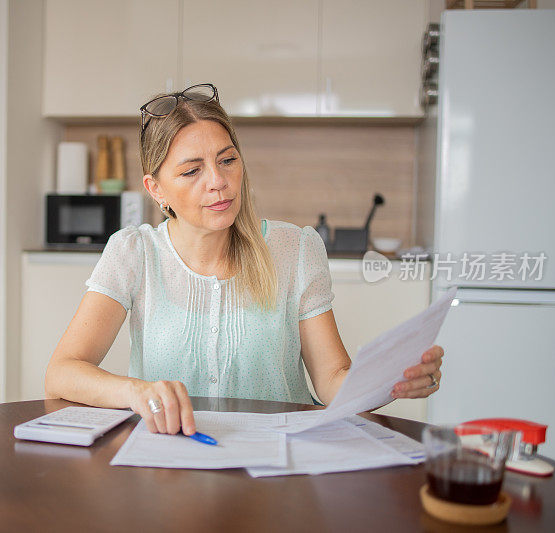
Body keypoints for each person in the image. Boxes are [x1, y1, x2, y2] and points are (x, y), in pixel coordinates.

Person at [45, 83, 443, 437]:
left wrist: (389, 379)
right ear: (156, 189)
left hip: (281, 462)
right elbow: (63, 371)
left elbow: (331, 380)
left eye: (227, 160)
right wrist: (137, 392)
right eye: (191, 171)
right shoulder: (133, 253)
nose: (217, 180)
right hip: (175, 463)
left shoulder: (295, 249)